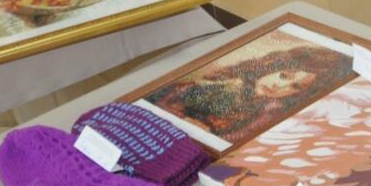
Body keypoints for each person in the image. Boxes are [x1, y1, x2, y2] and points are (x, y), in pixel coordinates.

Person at [146, 45, 351, 143]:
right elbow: (175, 93)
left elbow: (234, 139)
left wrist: (207, 132)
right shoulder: (231, 77)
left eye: (295, 87)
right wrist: (181, 116)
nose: (279, 86)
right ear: (273, 66)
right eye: (284, 75)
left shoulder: (270, 111)